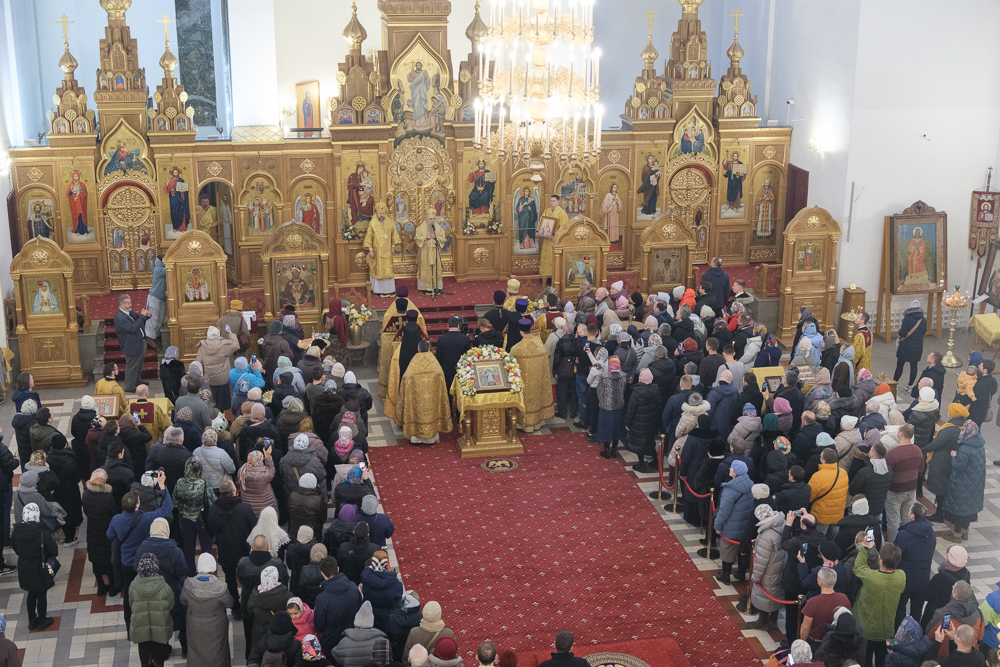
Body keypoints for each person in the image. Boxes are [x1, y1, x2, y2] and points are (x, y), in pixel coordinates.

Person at [206, 479, 256, 619]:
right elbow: (254, 527)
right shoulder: (245, 508)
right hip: (244, 550)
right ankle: (248, 607)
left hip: (225, 550)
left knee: (230, 580)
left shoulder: (213, 509)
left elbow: (210, 528)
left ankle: (235, 609)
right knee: (247, 580)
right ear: (234, 490)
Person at [386, 340, 451, 444]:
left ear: (418, 349)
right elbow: (440, 376)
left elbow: (406, 378)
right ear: (429, 349)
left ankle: (416, 439)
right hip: (431, 398)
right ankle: (432, 438)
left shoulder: (414, 363)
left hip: (417, 399)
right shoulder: (434, 363)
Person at [854, 540, 905, 667]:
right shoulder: (901, 576)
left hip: (866, 630)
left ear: (880, 560)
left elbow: (858, 567)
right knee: (883, 661)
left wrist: (864, 548)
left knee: (865, 660)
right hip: (887, 630)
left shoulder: (871, 577)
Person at [237, 536, 289, 659]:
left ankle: (251, 659)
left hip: (249, 606)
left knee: (250, 636)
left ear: (252, 547)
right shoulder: (277, 564)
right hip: (273, 607)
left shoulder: (243, 563)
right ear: (267, 547)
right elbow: (284, 582)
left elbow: (240, 579)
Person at [11, 503, 58, 631]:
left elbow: (16, 549)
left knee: (31, 593)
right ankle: (42, 620)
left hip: (24, 566)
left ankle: (31, 620)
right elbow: (54, 551)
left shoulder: (16, 532)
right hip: (39, 567)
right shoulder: (42, 533)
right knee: (41, 594)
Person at [941, 420, 986, 543]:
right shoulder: (979, 444)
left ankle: (956, 535)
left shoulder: (965, 448)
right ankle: (965, 533)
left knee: (960, 509)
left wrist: (954, 456)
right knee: (968, 509)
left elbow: (959, 466)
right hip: (975, 483)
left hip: (962, 483)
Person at [129, 552, 175, 667]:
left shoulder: (133, 586)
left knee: (145, 659)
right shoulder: (164, 586)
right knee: (159, 660)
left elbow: (131, 604)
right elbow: (171, 605)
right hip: (160, 629)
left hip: (141, 630)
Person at [894, 503, 936, 627]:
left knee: (900, 608)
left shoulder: (904, 534)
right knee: (917, 610)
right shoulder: (931, 533)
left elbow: (896, 553)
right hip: (923, 578)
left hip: (905, 579)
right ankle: (915, 633)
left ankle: (899, 632)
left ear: (912, 516)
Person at [510, 319, 556, 431]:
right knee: (537, 396)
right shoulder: (540, 346)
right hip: (538, 381)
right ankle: (538, 420)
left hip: (525, 383)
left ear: (521, 331)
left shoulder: (516, 349)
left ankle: (526, 423)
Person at [714, 460, 754, 584]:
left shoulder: (730, 490)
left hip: (731, 527)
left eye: (731, 468)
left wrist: (717, 526)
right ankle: (741, 574)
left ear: (736, 472)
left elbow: (724, 512)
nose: (729, 469)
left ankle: (725, 575)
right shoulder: (751, 484)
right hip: (745, 526)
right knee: (742, 550)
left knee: (727, 550)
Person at [315, 556, 364, 657]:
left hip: (331, 640)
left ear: (322, 574)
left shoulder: (322, 598)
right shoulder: (353, 587)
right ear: (337, 569)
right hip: (351, 635)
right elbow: (359, 609)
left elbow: (319, 624)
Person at [885, 424, 926, 541]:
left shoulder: (893, 453)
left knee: (893, 520)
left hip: (895, 490)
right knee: (907, 518)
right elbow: (921, 469)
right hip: (911, 489)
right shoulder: (917, 450)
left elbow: (886, 472)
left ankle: (893, 545)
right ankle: (907, 541)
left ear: (901, 434)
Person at [248, 565, 294, 654]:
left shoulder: (254, 596)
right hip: (281, 630)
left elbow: (250, 612)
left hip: (260, 630)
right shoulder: (286, 594)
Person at [114, 294, 152, 392]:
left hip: (139, 343)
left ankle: (137, 381)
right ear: (122, 304)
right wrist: (142, 317)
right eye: (128, 303)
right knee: (132, 366)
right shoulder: (120, 317)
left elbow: (139, 318)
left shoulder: (129, 312)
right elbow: (133, 328)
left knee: (139, 364)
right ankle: (130, 386)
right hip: (131, 345)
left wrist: (147, 315)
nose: (130, 305)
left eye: (130, 302)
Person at [809, 448, 850, 536]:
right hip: (838, 515)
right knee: (832, 539)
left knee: (819, 538)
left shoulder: (818, 476)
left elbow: (810, 496)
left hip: (822, 516)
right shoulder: (843, 472)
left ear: (823, 461)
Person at [436, 317, 471, 401]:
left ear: (447, 326)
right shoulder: (465, 339)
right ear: (458, 326)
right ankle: (460, 409)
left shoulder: (441, 339)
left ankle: (449, 408)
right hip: (461, 370)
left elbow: (438, 357)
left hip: (446, 370)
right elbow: (468, 356)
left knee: (448, 392)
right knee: (461, 392)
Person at [895, 300, 927, 391]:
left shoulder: (907, 318)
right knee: (914, 365)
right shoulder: (923, 319)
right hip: (917, 345)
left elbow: (903, 332)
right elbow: (924, 332)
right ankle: (910, 385)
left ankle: (895, 383)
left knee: (900, 365)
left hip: (906, 345)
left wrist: (900, 333)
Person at [539, 195, 568, 284]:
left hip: (555, 241)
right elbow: (541, 222)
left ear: (558, 202)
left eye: (554, 201)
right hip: (546, 239)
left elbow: (563, 227)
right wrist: (538, 231)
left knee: (553, 258)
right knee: (545, 257)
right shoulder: (546, 211)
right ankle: (544, 275)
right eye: (551, 201)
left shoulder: (562, 213)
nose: (551, 202)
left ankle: (553, 276)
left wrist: (555, 235)